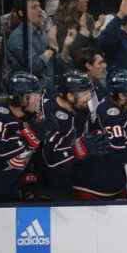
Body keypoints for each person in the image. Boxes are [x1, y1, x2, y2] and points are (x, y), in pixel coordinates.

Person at [72, 69, 127, 200]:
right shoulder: (110, 114)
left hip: (113, 181)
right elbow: (121, 156)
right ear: (121, 96)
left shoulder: (120, 105)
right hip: (94, 187)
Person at [36, 70, 110, 200]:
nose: (89, 97)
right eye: (85, 93)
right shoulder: (49, 114)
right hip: (46, 184)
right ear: (70, 96)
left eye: (90, 92)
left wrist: (96, 132)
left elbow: (90, 127)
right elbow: (50, 159)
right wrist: (78, 149)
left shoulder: (80, 107)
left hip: (71, 176)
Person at [0, 72, 48, 201]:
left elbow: (34, 158)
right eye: (35, 94)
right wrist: (30, 135)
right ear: (21, 98)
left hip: (13, 192)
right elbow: (1, 149)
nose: (39, 98)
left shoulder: (31, 118)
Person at [6, 0, 61, 93]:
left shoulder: (43, 33)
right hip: (30, 94)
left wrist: (63, 46)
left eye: (39, 6)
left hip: (48, 91)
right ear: (22, 13)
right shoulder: (18, 37)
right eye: (34, 7)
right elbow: (34, 66)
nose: (39, 10)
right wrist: (51, 49)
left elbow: (55, 63)